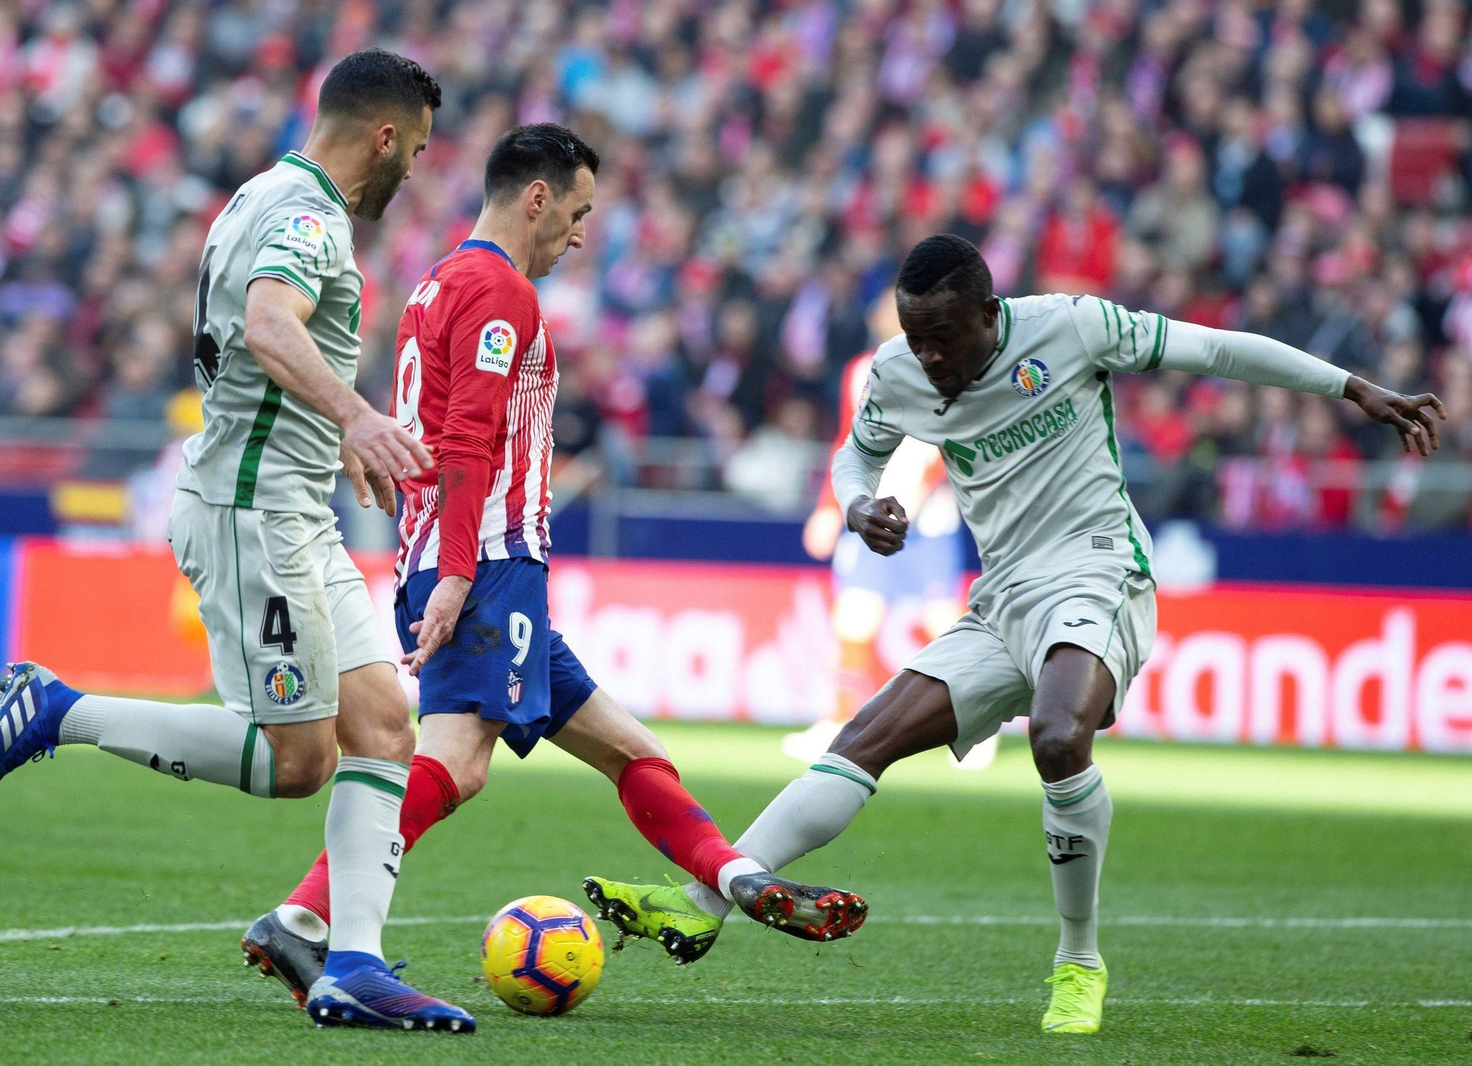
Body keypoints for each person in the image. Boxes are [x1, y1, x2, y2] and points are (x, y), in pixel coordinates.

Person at [589, 234, 1446, 1035]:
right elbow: (857, 453)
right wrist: (857, 504)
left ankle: (1078, 962)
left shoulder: (1073, 326)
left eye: (945, 339)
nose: (931, 359)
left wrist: (1350, 387)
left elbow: (1215, 349)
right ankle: (699, 908)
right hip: (1000, 598)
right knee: (861, 742)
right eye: (916, 341)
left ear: (989, 314)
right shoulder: (899, 372)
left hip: (1097, 570)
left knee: (1057, 734)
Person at [239, 126, 866, 1009]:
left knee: (631, 750)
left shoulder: (438, 281)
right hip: (486, 566)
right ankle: (303, 918)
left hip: (473, 564)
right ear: (536, 197)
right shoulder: (500, 293)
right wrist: (460, 571)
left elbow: (433, 420)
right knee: (455, 761)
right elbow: (468, 441)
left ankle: (727, 884)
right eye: (576, 213)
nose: (579, 234)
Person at [0, 49, 474, 1033]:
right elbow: (268, 324)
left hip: (294, 505)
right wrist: (358, 418)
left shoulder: (271, 197)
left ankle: (353, 962)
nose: (414, 170)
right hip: (252, 515)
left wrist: (336, 443)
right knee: (296, 761)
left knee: (381, 727)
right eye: (415, 149)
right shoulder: (305, 215)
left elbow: (270, 349)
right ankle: (59, 709)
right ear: (384, 136)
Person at [786, 287, 973, 767]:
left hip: (928, 521)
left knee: (943, 623)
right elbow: (849, 443)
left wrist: (921, 491)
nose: (883, 316)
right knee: (854, 616)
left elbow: (952, 443)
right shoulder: (859, 371)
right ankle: (838, 721)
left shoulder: (946, 371)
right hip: (874, 516)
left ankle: (971, 729)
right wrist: (831, 506)